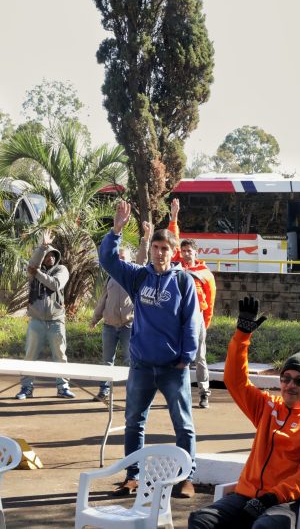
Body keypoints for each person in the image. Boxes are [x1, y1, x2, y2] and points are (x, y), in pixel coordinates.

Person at [189, 296, 300, 529]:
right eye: (286, 378)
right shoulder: (268, 406)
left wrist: (270, 497)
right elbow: (234, 380)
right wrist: (242, 335)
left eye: (299, 381)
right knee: (201, 521)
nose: (290, 385)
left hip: (289, 502)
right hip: (247, 496)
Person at [99, 200, 198, 498]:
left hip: (172, 368)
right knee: (134, 423)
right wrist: (116, 230)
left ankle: (186, 477)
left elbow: (191, 321)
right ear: (151, 250)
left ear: (173, 251)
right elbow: (109, 261)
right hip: (141, 365)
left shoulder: (182, 280)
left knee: (183, 425)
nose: (159, 252)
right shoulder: (139, 276)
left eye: (164, 248)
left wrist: (186, 357)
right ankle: (133, 476)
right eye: (155, 247)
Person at [168, 198, 217, 409]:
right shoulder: (177, 266)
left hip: (197, 322)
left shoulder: (205, 273)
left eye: (190, 251)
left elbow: (211, 301)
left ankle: (204, 392)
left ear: (196, 253)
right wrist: (174, 216)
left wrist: (205, 323)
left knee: (200, 358)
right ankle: (179, 393)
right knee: (178, 358)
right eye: (184, 250)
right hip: (177, 320)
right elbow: (173, 238)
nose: (186, 253)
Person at [15, 230, 75, 400]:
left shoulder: (62, 269)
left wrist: (38, 273)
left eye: (52, 255)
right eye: (47, 255)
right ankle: (26, 388)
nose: (50, 258)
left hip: (56, 321)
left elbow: (56, 284)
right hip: (37, 321)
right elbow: (32, 265)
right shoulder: (33, 272)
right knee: (30, 355)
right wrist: (43, 247)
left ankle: (63, 387)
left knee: (60, 355)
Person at [90, 232, 148, 403]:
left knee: (132, 361)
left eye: (124, 257)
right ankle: (104, 391)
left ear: (130, 260)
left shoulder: (135, 276)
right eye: (118, 257)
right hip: (109, 326)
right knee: (107, 361)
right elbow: (103, 300)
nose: (120, 260)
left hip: (128, 327)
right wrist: (95, 318)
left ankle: (134, 393)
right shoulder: (112, 277)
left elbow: (143, 260)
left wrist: (145, 241)